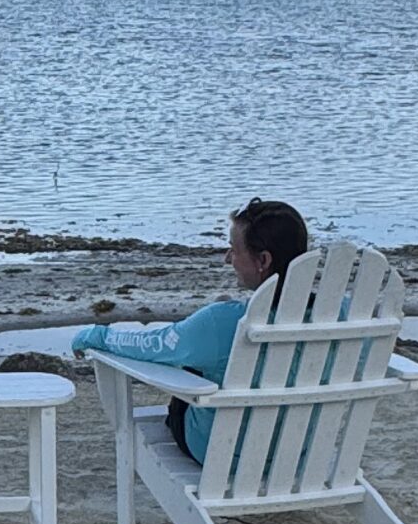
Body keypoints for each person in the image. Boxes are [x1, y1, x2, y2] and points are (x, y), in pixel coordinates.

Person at [71, 197, 310, 464]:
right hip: (300, 451)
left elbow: (154, 345)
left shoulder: (222, 322)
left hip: (222, 453)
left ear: (263, 260)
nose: (227, 258)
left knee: (201, 358)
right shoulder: (342, 315)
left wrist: (98, 336)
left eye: (234, 249)